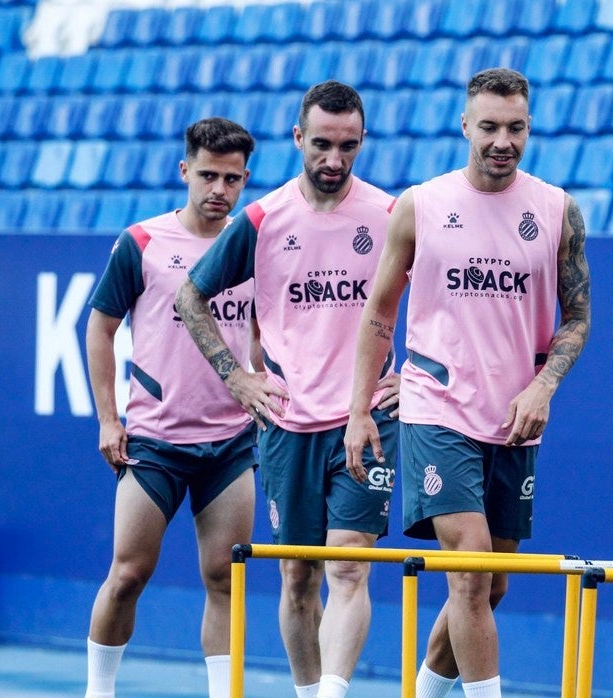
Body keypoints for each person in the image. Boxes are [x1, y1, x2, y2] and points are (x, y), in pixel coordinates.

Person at [345, 67, 592, 698]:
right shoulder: (420, 206)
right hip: (436, 410)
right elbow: (378, 312)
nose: (502, 140)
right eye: (489, 127)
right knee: (472, 577)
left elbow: (579, 316)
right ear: (465, 126)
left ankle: (423, 691)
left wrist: (544, 388)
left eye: (515, 128)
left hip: (513, 418)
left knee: (491, 583)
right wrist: (358, 410)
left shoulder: (559, 210)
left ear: (530, 127)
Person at [176, 81, 399, 698]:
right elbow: (189, 295)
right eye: (322, 144)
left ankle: (333, 693)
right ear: (299, 138)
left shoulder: (389, 215)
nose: (334, 159)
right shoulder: (262, 219)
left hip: (366, 417)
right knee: (298, 576)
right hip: (287, 423)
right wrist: (235, 376)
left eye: (348, 146)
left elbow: (448, 300)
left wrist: (424, 372)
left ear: (361, 142)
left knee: (350, 565)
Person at [83, 118, 259, 698]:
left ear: (244, 180)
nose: (219, 189)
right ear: (184, 171)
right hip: (155, 442)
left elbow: (267, 335)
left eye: (232, 179)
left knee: (223, 580)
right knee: (129, 574)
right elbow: (100, 328)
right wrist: (110, 418)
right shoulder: (142, 243)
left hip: (230, 445)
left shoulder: (255, 245)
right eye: (208, 175)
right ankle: (98, 691)